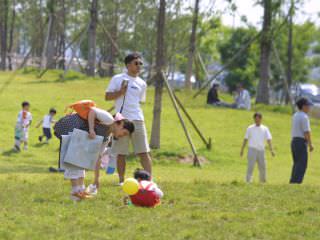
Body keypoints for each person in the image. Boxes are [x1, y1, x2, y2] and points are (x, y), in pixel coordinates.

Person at [54, 108, 135, 201]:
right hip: (70, 126)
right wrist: (92, 129)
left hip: (78, 133)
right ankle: (75, 192)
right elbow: (92, 111)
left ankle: (81, 190)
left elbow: (98, 158)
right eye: (124, 133)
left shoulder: (106, 138)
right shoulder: (109, 119)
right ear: (120, 124)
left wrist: (96, 179)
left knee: (81, 161)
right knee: (74, 160)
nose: (122, 136)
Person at [105, 52, 152, 184]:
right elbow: (107, 96)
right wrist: (120, 92)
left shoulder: (142, 83)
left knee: (143, 152)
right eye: (136, 63)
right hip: (121, 121)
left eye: (141, 64)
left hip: (137, 119)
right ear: (128, 65)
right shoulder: (117, 78)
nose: (139, 66)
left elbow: (140, 101)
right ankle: (121, 181)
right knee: (121, 153)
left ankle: (149, 181)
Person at [240, 112, 275, 183]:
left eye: (258, 119)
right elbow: (245, 139)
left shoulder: (265, 128)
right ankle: (248, 181)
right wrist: (242, 149)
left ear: (261, 119)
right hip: (252, 149)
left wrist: (272, 150)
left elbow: (269, 139)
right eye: (255, 119)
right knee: (250, 166)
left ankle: (262, 181)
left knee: (263, 167)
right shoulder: (250, 128)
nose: (257, 121)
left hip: (261, 150)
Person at [290, 98, 314, 184]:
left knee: (296, 163)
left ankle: (293, 181)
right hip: (300, 141)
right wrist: (310, 144)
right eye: (308, 106)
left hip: (294, 141)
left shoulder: (295, 115)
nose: (309, 108)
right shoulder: (304, 117)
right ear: (303, 106)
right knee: (302, 164)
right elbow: (306, 132)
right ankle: (296, 182)